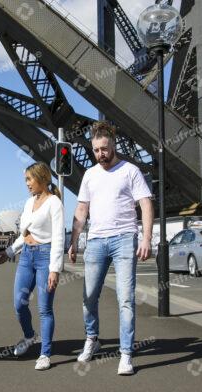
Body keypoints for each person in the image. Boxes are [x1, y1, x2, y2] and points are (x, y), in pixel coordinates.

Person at [68, 121, 153, 375]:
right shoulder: (90, 175)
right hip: (95, 241)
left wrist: (147, 237)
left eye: (104, 149)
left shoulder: (131, 171)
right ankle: (92, 339)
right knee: (88, 296)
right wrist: (73, 241)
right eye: (96, 150)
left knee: (125, 298)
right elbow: (82, 210)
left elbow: (145, 204)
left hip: (125, 238)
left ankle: (126, 354)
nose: (100, 155)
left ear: (113, 145)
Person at [0, 161, 64, 371]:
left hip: (45, 257)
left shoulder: (54, 203)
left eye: (29, 179)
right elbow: (24, 234)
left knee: (44, 308)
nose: (27, 183)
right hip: (26, 256)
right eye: (25, 179)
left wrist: (55, 269)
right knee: (19, 303)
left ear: (42, 179)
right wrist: (9, 252)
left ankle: (45, 354)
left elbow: (59, 237)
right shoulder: (28, 203)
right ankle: (29, 336)